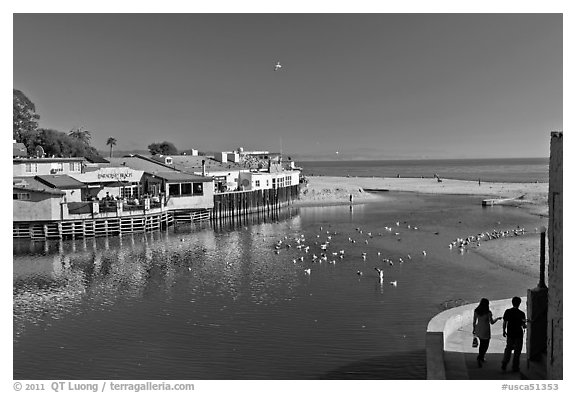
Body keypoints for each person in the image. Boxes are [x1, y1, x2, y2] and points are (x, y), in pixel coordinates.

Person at [472, 298, 502, 367]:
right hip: (485, 330)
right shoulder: (488, 312)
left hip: (478, 329)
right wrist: (497, 319)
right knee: (485, 345)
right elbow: (492, 322)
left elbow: (474, 321)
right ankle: (480, 357)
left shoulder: (476, 311)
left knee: (481, 344)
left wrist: (474, 329)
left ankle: (480, 357)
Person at [501, 296, 527, 372]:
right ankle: (515, 366)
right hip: (518, 334)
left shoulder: (508, 311)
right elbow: (523, 325)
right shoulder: (521, 313)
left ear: (512, 303)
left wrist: (503, 331)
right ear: (519, 303)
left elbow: (505, 322)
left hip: (510, 333)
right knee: (517, 351)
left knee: (508, 349)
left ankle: (504, 363)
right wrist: (526, 325)